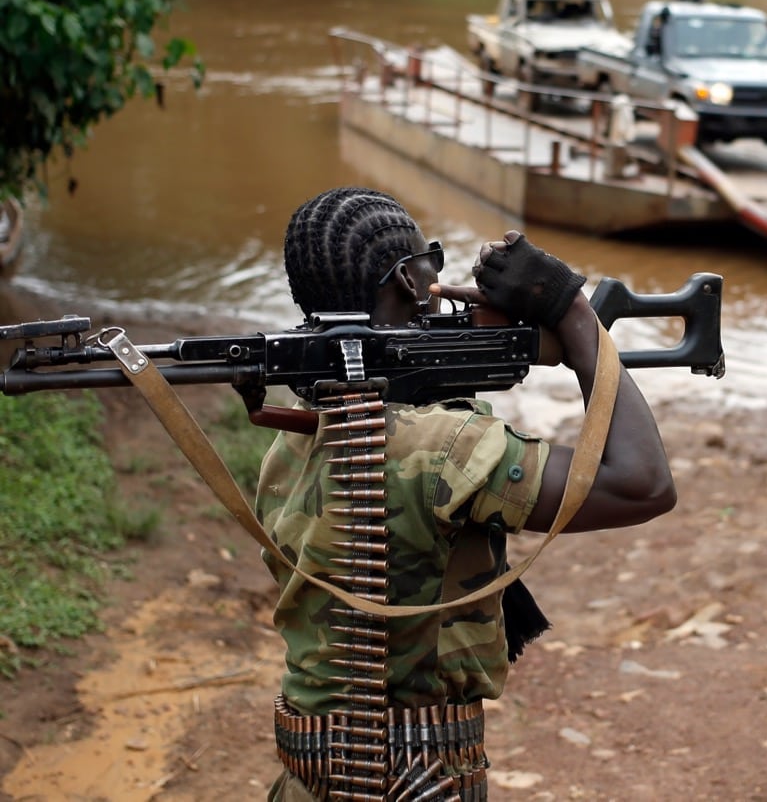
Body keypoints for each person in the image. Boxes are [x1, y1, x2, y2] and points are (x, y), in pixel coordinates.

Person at [259, 187, 676, 801]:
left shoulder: (297, 432)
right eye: (432, 262)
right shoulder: (445, 448)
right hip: (415, 781)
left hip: (313, 777)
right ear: (409, 279)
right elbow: (643, 485)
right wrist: (578, 320)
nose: (441, 278)